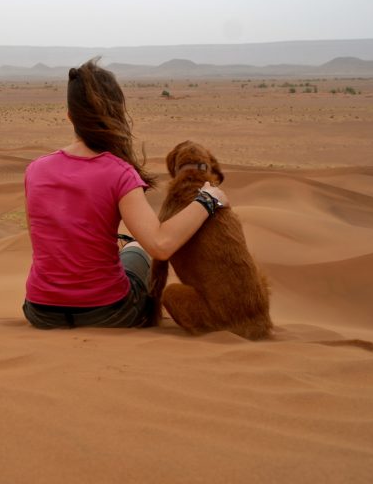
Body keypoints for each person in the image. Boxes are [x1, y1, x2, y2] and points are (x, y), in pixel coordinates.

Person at [22, 58, 229, 329]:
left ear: (70, 116)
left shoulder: (35, 170)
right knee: (137, 247)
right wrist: (209, 199)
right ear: (116, 114)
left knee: (124, 247)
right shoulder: (118, 172)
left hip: (40, 311)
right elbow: (160, 244)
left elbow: (48, 240)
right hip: (108, 313)